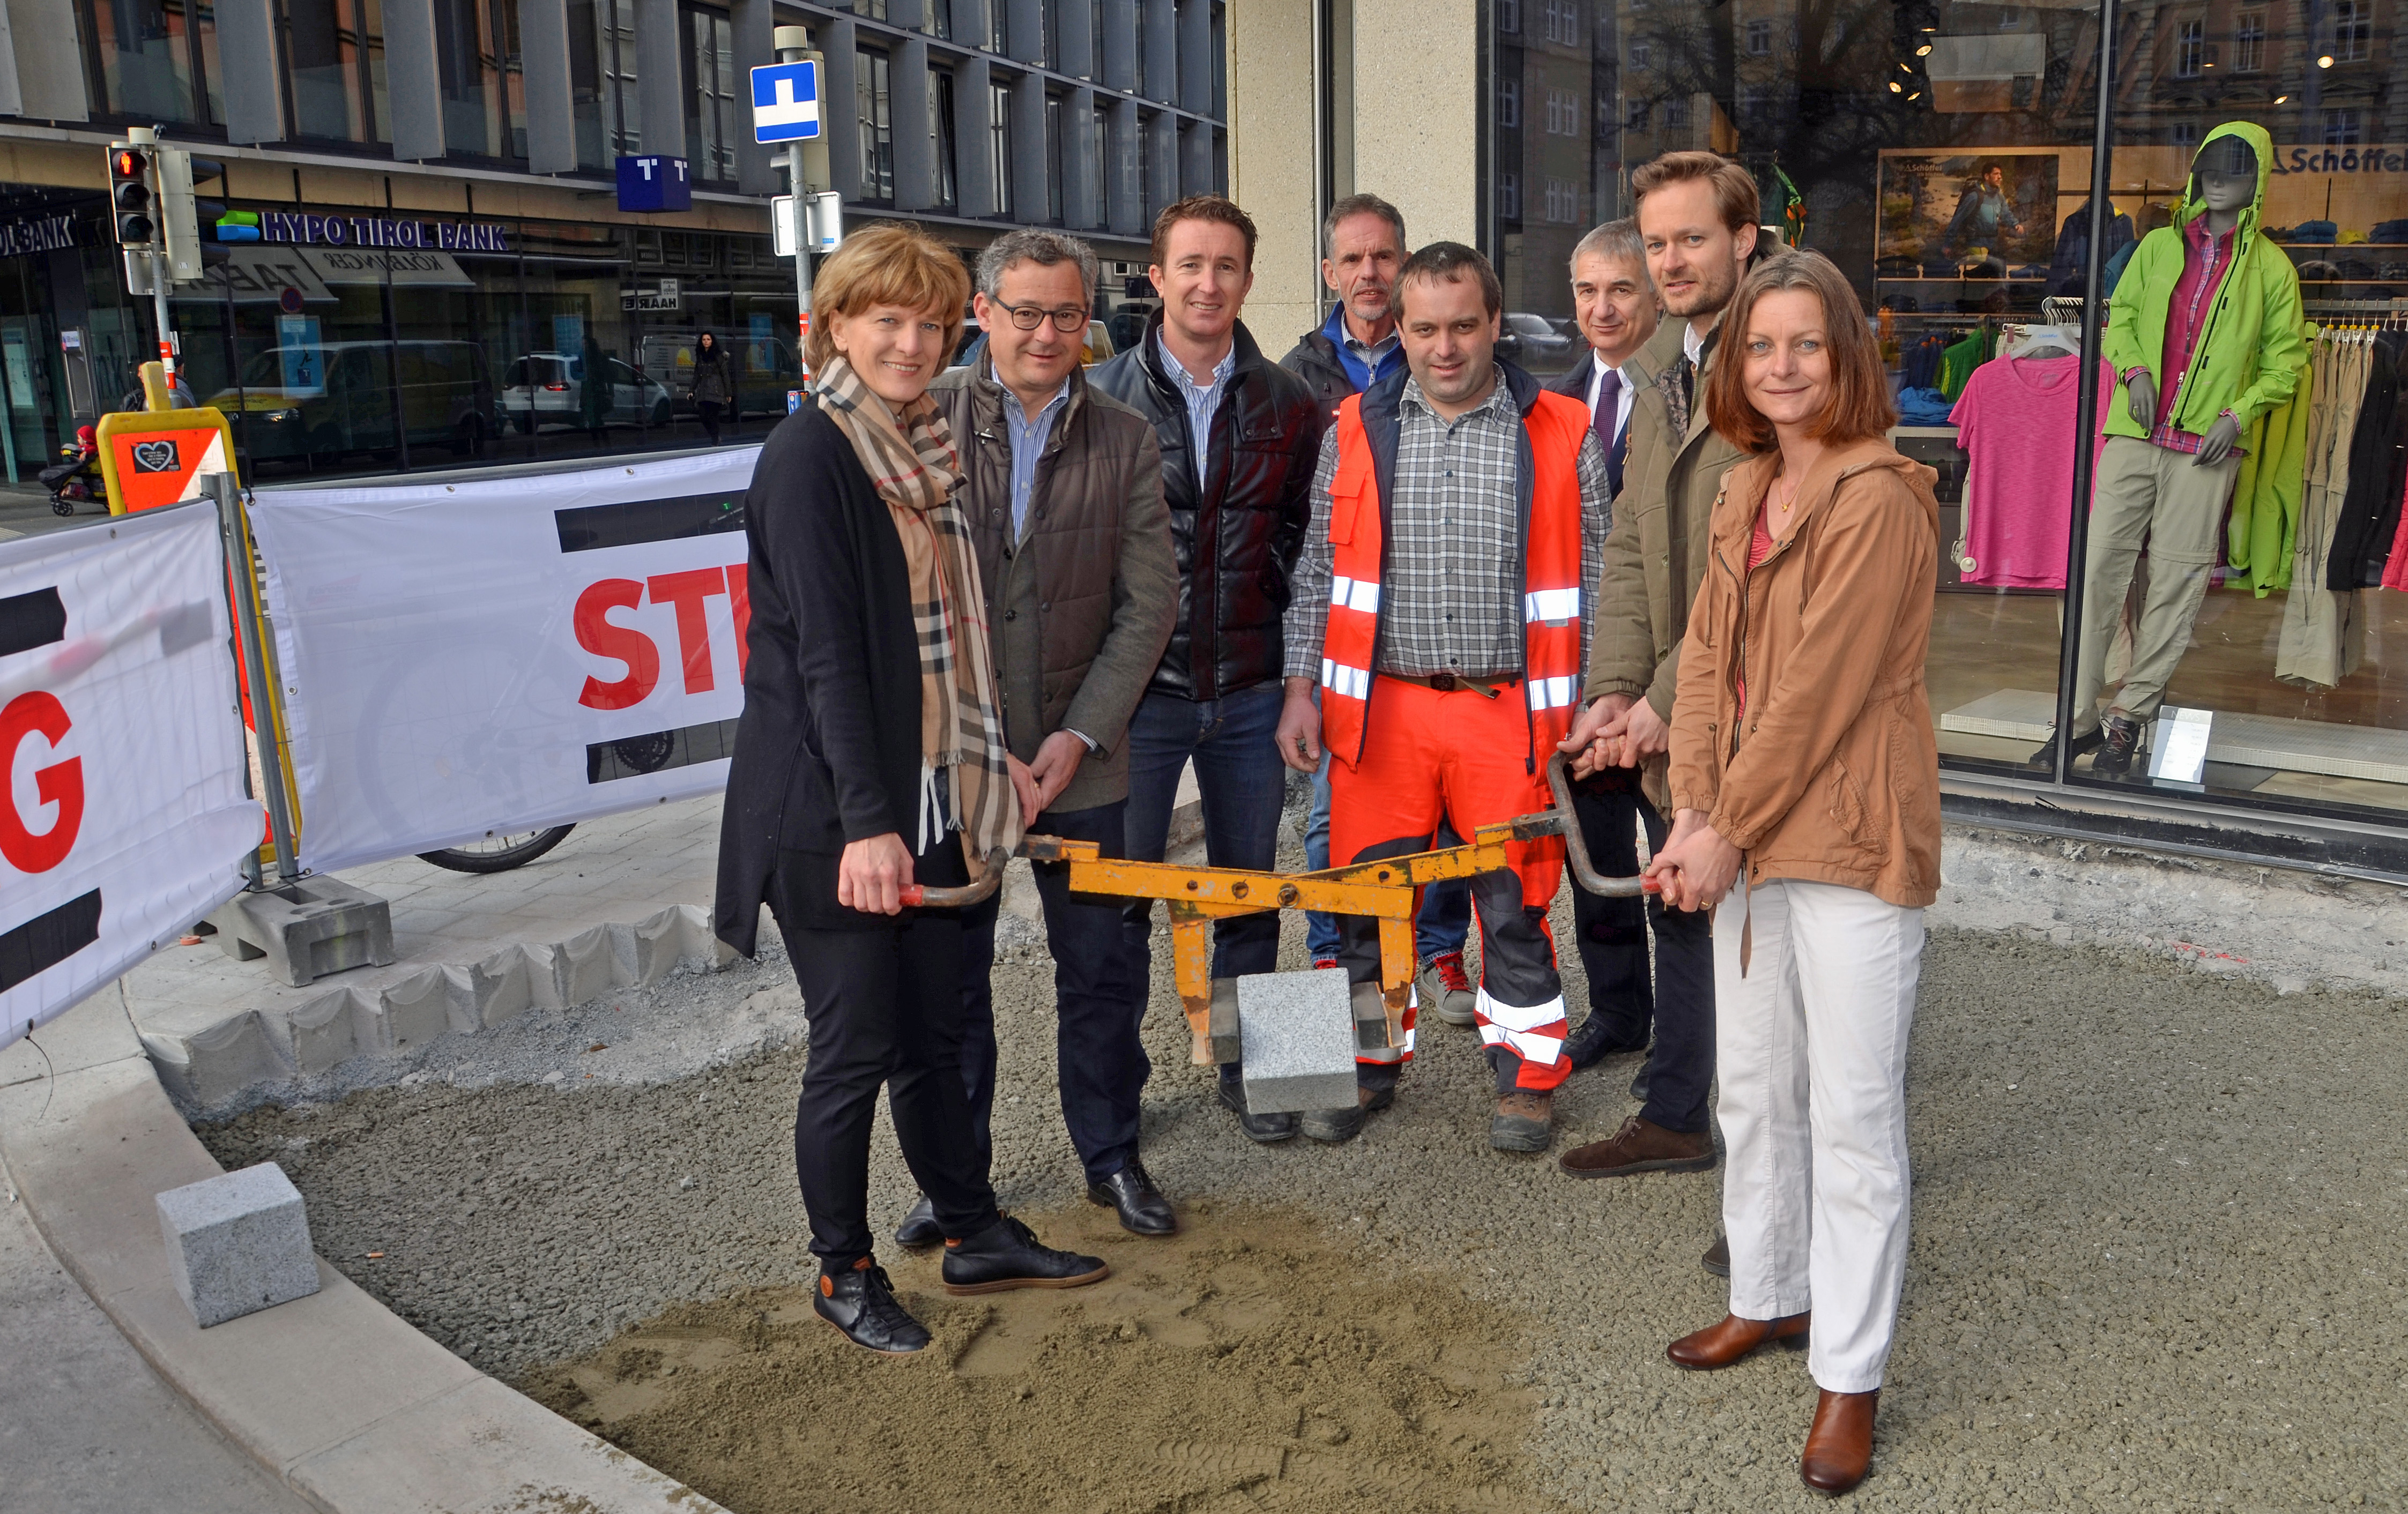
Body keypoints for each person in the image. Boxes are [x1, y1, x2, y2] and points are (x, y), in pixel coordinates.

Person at [712, 223, 1108, 1356]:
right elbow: (828, 658)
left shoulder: (921, 442)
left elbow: (947, 645)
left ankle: (971, 1227)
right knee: (855, 1048)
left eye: (930, 323)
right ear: (834, 327)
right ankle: (841, 1270)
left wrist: (975, 771)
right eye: (885, 319)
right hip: (832, 814)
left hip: (937, 792)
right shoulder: (810, 455)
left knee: (941, 1033)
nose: (910, 343)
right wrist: (867, 825)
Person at [1648, 249, 1941, 1497]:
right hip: (1745, 831)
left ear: (1845, 356)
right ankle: (1768, 1293)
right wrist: (1689, 807)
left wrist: (1721, 825)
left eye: (1803, 344)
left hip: (1853, 837)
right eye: (1758, 345)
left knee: (1854, 1115)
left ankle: (1849, 1371)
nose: (1778, 367)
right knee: (1754, 1088)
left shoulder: (1879, 498)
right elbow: (1702, 658)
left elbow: (1819, 691)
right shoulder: (1743, 487)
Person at [1277, 242, 1611, 1153]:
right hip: (1379, 713)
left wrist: (1599, 700)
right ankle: (1360, 1065)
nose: (1445, 347)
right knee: (1360, 899)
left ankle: (1527, 1081)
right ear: (1400, 329)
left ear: (1495, 323)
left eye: (1464, 325)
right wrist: (1300, 686)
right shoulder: (1354, 425)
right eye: (1424, 329)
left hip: (1511, 712)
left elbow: (1602, 577)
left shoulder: (1563, 428)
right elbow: (1317, 572)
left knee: (1514, 904)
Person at [902, 229, 1180, 1241]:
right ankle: (954, 1184)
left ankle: (1111, 1156)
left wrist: (1080, 737)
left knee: (1101, 971)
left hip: (1083, 764)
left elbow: (1147, 606)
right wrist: (974, 738)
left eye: (1067, 313)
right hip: (955, 759)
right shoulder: (919, 418)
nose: (1047, 333)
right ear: (982, 313)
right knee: (950, 984)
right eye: (1025, 313)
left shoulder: (1124, 436)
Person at [1088, 196, 1324, 1145]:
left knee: (1255, 891)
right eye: (1190, 264)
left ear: (1248, 281)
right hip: (1138, 700)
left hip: (1252, 688)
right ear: (1157, 277)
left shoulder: (1289, 400)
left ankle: (1259, 1071)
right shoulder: (1099, 396)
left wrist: (1296, 677)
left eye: (1226, 266)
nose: (1208, 283)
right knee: (1116, 906)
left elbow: (1308, 543)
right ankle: (1113, 1102)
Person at [1558, 153, 1758, 1219]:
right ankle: (1679, 1109)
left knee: (1766, 937)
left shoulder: (1773, 365)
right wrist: (1613, 688)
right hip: (1681, 700)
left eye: (1691, 238)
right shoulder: (1658, 372)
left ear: (1744, 240)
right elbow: (1632, 547)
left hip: (1758, 707)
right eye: (1658, 242)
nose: (1671, 260)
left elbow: (1754, 572)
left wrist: (1659, 700)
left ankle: (1775, 1192)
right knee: (1679, 904)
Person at [1279, 193, 1476, 1025]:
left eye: (1384, 257)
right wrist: (1300, 671)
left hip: (1439, 646)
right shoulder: (1293, 377)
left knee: (1448, 821)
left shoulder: (1444, 359)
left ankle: (1437, 948)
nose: (1369, 272)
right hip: (1348, 650)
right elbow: (1305, 536)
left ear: (1405, 267)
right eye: (1353, 259)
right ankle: (1335, 958)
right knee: (1334, 820)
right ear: (1330, 272)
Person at [1540, 219, 1714, 1120]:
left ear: (1653, 296)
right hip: (1582, 687)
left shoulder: (1683, 392)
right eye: (1586, 291)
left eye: (1620, 289)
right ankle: (1618, 1011)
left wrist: (1655, 688)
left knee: (1675, 873)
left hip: (1673, 679)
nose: (1602, 309)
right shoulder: (1549, 404)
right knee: (1595, 864)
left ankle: (1687, 1049)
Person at [690, 331, 734, 444]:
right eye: (704, 340)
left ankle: (715, 441)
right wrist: (692, 390)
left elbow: (725, 375)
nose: (706, 342)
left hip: (716, 390)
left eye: (708, 340)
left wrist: (728, 393)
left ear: (712, 341)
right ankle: (715, 436)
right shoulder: (700, 356)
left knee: (713, 416)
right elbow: (697, 375)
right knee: (703, 416)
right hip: (704, 391)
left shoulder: (718, 356)